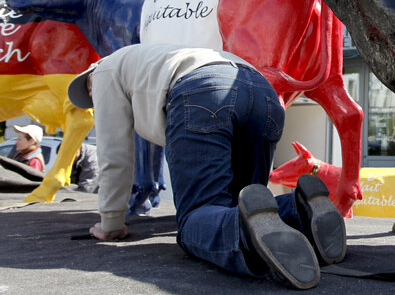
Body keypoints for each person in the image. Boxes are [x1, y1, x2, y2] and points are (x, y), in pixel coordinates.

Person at [67, 44, 345, 289]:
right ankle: (301, 210)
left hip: (202, 91)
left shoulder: (103, 72)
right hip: (263, 93)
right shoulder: (153, 57)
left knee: (195, 218)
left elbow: (113, 154)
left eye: (89, 94)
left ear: (90, 77)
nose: (93, 101)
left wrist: (111, 223)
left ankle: (247, 238)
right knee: (247, 206)